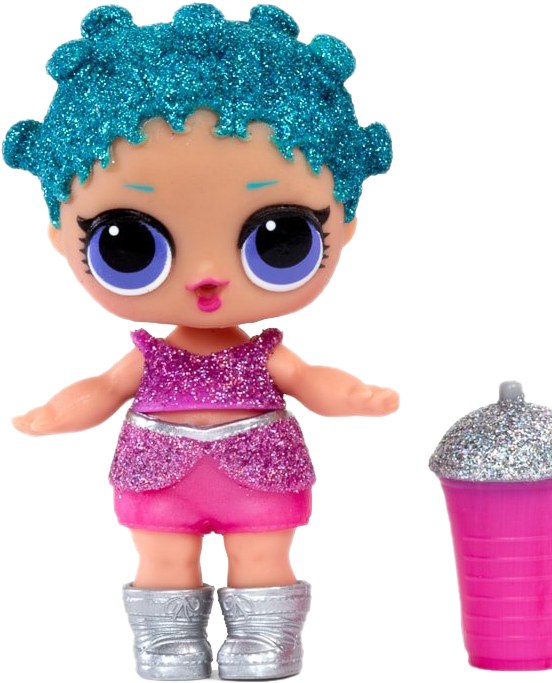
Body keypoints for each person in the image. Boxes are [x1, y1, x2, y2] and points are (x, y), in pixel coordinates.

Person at [3, 4, 398, 681]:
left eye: (281, 238)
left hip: (260, 472)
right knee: (160, 559)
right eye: (128, 244)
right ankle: (166, 646)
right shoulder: (147, 355)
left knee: (262, 557)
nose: (207, 275)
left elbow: (310, 380)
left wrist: (354, 395)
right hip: (158, 474)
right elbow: (103, 389)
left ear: (346, 227)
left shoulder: (266, 353)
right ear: (59, 237)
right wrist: (56, 412)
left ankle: (267, 643)